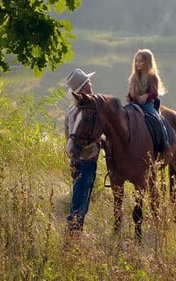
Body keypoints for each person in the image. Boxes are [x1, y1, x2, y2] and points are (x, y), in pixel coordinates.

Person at [64, 68, 100, 233]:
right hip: (86, 161)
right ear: (83, 88)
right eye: (88, 82)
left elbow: (69, 138)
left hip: (75, 160)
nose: (91, 84)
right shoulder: (84, 111)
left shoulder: (71, 110)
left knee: (78, 197)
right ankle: (73, 233)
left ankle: (74, 231)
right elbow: (82, 139)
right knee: (81, 200)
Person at [126, 49, 171, 154]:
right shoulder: (134, 77)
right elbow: (131, 90)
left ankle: (165, 143)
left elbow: (155, 92)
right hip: (134, 103)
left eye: (141, 61)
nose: (138, 63)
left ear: (147, 62)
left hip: (147, 104)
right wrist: (129, 96)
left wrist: (147, 96)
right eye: (136, 61)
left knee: (157, 119)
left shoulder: (152, 76)